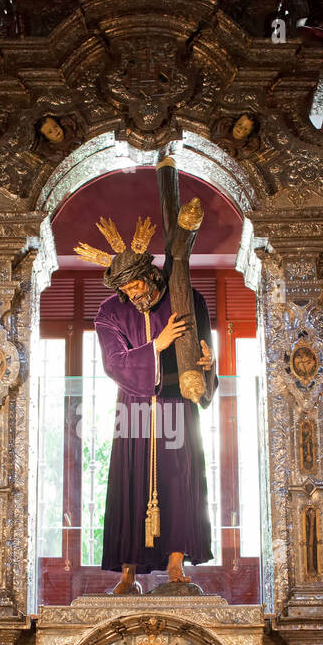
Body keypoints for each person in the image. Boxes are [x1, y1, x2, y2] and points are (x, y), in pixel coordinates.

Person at [75, 213, 216, 593]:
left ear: (151, 276)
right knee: (130, 483)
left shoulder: (186, 298)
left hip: (177, 402)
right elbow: (113, 362)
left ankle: (175, 562)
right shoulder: (110, 312)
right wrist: (159, 344)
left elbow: (204, 353)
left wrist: (207, 363)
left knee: (178, 479)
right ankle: (128, 573)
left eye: (136, 284)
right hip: (134, 404)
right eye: (125, 288)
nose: (133, 294)